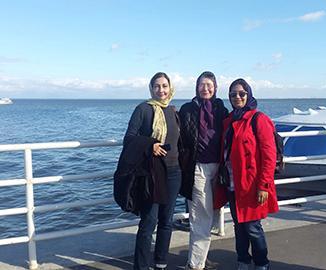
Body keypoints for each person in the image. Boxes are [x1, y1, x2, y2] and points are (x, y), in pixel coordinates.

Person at [114, 72, 181, 270]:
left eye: (164, 86)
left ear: (170, 88)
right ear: (151, 89)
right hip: (153, 173)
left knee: (167, 221)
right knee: (149, 222)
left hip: (174, 172)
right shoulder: (143, 109)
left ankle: (160, 263)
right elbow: (129, 138)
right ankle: (141, 266)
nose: (161, 90)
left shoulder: (173, 111)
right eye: (157, 86)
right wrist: (150, 145)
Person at [214, 78, 279, 270]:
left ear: (248, 94)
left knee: (252, 227)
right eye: (233, 94)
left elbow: (269, 155)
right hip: (233, 183)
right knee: (239, 226)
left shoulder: (258, 119)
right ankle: (243, 261)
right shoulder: (229, 121)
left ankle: (261, 263)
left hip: (252, 184)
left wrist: (264, 185)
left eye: (241, 93)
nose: (237, 97)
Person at [178, 71, 228, 270]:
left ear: (215, 88)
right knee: (201, 216)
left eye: (209, 85)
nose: (205, 88)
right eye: (201, 84)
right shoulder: (187, 109)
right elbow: (179, 136)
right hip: (197, 167)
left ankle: (199, 257)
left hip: (219, 168)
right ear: (196, 87)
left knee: (212, 212)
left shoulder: (221, 110)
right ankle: (195, 264)